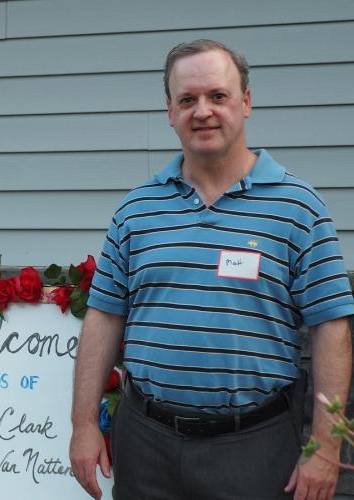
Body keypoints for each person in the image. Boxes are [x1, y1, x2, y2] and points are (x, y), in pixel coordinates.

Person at [69, 39, 354, 500]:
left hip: (253, 447)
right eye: (187, 100)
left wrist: (325, 446)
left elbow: (331, 329)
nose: (202, 111)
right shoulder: (136, 209)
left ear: (245, 102)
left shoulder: (299, 208)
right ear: (169, 111)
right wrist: (83, 424)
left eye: (217, 96)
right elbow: (103, 316)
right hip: (146, 443)